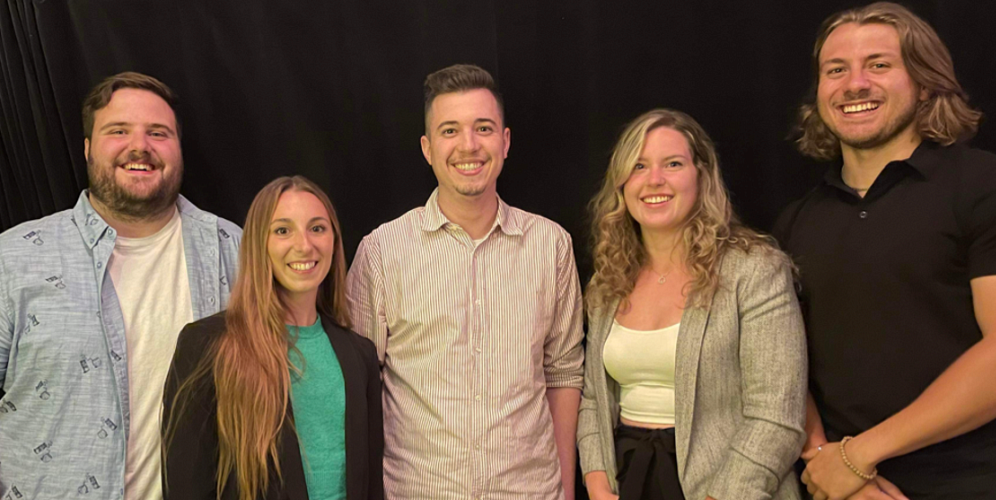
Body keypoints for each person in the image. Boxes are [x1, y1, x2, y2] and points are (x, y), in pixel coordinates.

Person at [775, 3, 996, 499]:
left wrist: (859, 457)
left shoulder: (985, 187)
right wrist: (828, 466)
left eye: (878, 64)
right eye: (836, 70)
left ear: (924, 82)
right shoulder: (796, 220)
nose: (854, 84)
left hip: (972, 480)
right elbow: (783, 365)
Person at [346, 63, 584, 500]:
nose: (468, 146)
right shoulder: (381, 252)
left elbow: (563, 373)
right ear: (428, 148)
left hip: (531, 491)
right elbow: (361, 388)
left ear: (506, 141)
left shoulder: (551, 246)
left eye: (484, 128)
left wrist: (567, 489)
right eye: (450, 130)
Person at [0, 71, 241, 500]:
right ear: (88, 148)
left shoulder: (237, 252)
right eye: (118, 131)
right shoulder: (14, 258)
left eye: (158, 133)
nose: (140, 146)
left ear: (179, 149)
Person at [578, 109, 807, 500]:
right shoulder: (609, 280)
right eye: (638, 166)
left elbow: (777, 416)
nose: (654, 180)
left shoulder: (753, 272)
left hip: (726, 486)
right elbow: (594, 396)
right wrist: (596, 475)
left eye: (673, 164)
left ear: (702, 175)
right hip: (628, 478)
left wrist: (725, 495)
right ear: (621, 184)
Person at [162, 175, 383, 500]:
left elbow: (371, 486)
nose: (304, 245)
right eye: (283, 230)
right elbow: (186, 488)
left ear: (334, 240)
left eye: (317, 228)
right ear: (258, 243)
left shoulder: (360, 354)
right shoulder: (207, 346)